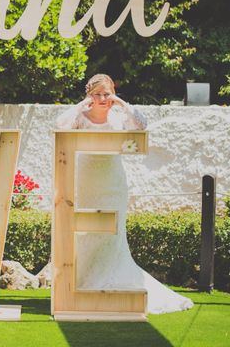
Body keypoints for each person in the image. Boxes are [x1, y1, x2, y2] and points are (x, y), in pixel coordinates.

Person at [55, 74, 193, 314]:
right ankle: (80, 285)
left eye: (106, 93)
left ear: (112, 93)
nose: (101, 99)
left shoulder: (119, 117)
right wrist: (81, 104)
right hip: (86, 181)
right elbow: (60, 125)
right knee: (85, 232)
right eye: (96, 94)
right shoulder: (80, 117)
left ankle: (108, 283)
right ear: (90, 95)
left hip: (112, 181)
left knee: (112, 233)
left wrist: (122, 104)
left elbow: (141, 126)